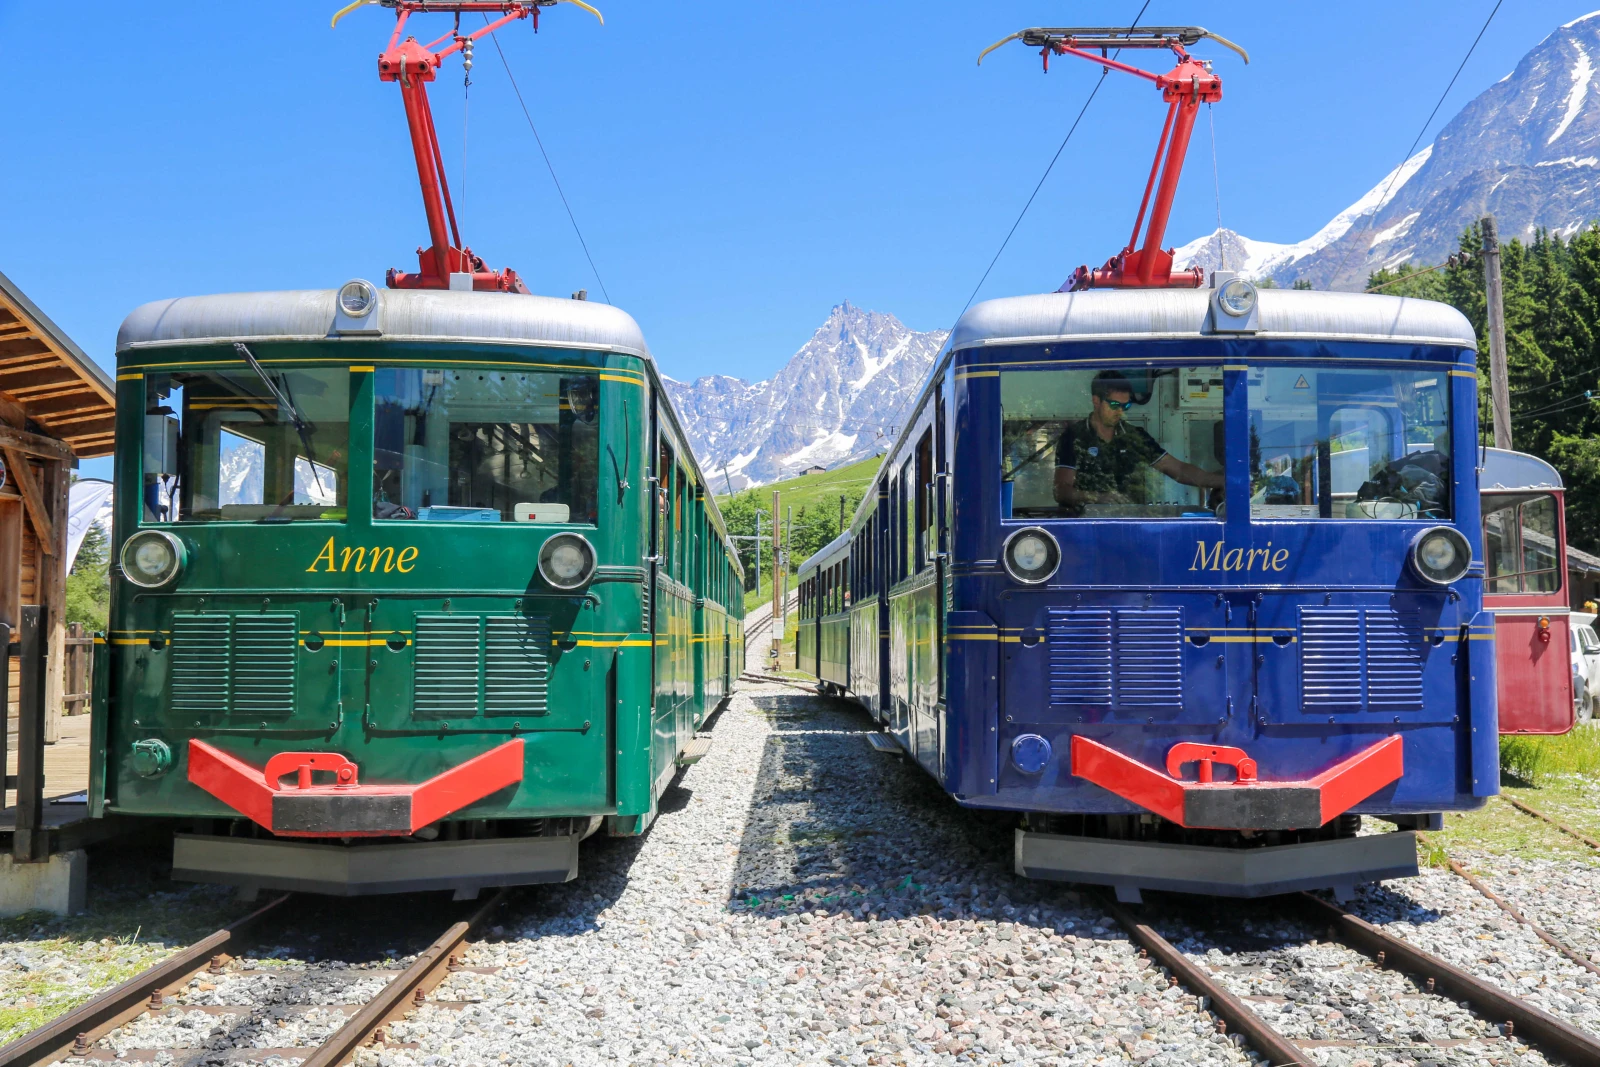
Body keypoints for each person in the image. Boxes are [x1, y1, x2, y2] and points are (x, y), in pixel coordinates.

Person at [1054, 370, 1223, 513]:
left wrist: (1227, 482)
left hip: (1128, 523)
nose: (1120, 411)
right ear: (1096, 401)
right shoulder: (1074, 437)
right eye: (1114, 405)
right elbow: (1061, 491)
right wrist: (1099, 497)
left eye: (1125, 406)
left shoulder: (1134, 437)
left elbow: (1178, 470)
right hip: (1084, 525)